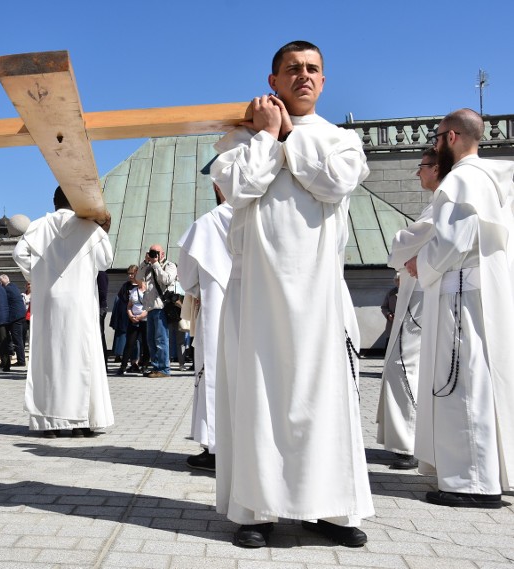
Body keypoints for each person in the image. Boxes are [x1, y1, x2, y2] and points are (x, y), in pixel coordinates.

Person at [210, 40, 373, 547]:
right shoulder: (238, 141)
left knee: (322, 399)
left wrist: (286, 137)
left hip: (319, 291)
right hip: (258, 290)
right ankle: (257, 511)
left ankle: (328, 508)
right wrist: (267, 137)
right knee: (262, 394)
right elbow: (238, 188)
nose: (303, 75)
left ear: (323, 82)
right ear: (273, 82)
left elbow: (333, 183)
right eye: (292, 69)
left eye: (312, 69)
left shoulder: (342, 140)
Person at [404, 109, 514, 509]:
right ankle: (481, 473)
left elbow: (453, 240)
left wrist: (421, 263)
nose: (434, 145)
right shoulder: (494, 179)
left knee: (461, 384)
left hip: (461, 293)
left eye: (436, 138)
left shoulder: (464, 179)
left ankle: (471, 483)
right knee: (479, 382)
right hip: (480, 291)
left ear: (451, 137)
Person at [13, 187, 113, 438]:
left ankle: (50, 424)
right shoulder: (88, 227)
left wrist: (38, 275)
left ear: (55, 201)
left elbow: (18, 254)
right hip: (79, 302)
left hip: (49, 302)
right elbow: (105, 261)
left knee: (49, 359)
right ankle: (81, 424)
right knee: (82, 358)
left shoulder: (39, 225)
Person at [376, 147, 439, 471]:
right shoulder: (436, 204)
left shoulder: (442, 203)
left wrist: (403, 248)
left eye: (423, 167)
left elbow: (401, 247)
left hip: (422, 296)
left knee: (404, 363)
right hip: (422, 292)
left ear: (437, 168)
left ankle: (411, 442)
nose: (418, 173)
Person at [176, 183, 233, 472]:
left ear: (218, 186)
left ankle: (216, 448)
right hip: (261, 307)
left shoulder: (207, 225)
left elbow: (186, 279)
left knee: (214, 373)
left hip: (218, 308)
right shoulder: (267, 215)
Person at [135, 244, 177, 378]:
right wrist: (145, 262)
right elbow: (139, 277)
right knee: (151, 340)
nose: (153, 255)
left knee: (161, 339)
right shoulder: (149, 266)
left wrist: (156, 264)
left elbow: (166, 279)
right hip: (150, 308)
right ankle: (156, 367)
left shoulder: (169, 265)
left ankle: (164, 369)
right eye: (151, 252)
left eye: (156, 252)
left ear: (163, 254)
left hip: (161, 308)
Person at [115, 280, 148, 375]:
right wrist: (130, 315)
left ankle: (145, 366)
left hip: (145, 319)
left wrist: (141, 316)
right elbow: (129, 306)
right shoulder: (134, 290)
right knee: (129, 343)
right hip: (134, 319)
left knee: (146, 344)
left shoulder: (149, 290)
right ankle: (123, 366)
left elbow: (150, 306)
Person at [0, 274, 27, 368]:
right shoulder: (13, 286)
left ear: (1, 282)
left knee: (17, 339)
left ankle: (21, 361)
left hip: (15, 317)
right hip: (20, 316)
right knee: (18, 339)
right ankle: (20, 359)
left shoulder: (6, 289)